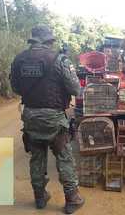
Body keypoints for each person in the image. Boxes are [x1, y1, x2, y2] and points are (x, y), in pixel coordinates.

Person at [10, 25, 84, 214]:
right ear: (48, 41)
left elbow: (16, 89)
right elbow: (76, 90)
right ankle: (72, 199)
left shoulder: (19, 60)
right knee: (64, 157)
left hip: (31, 116)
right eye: (51, 41)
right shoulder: (59, 60)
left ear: (33, 40)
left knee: (37, 157)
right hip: (53, 119)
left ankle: (40, 198)